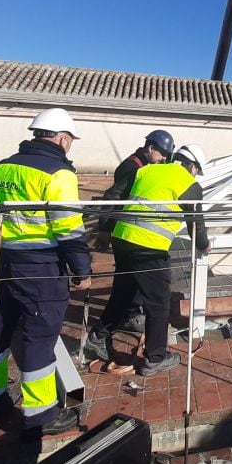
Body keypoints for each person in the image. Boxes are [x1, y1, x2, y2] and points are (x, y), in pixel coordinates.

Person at [0, 107, 91, 437]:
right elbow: (69, 229)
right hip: (40, 268)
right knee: (40, 336)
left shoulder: (2, 167)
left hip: (4, 262)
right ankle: (41, 414)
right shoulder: (58, 173)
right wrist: (82, 270)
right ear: (63, 139)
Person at [99, 143, 211, 376]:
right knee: (158, 303)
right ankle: (155, 357)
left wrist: (105, 230)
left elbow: (112, 195)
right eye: (197, 170)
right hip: (149, 249)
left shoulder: (146, 170)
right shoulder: (189, 184)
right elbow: (196, 222)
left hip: (122, 239)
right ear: (192, 167)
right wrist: (203, 244)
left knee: (124, 293)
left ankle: (97, 337)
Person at [84, 129, 174, 360]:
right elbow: (113, 198)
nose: (164, 159)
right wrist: (104, 230)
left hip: (130, 235)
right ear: (150, 148)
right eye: (162, 153)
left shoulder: (144, 167)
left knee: (128, 288)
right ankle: (102, 334)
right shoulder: (132, 168)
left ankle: (118, 323)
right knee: (127, 290)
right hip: (127, 235)